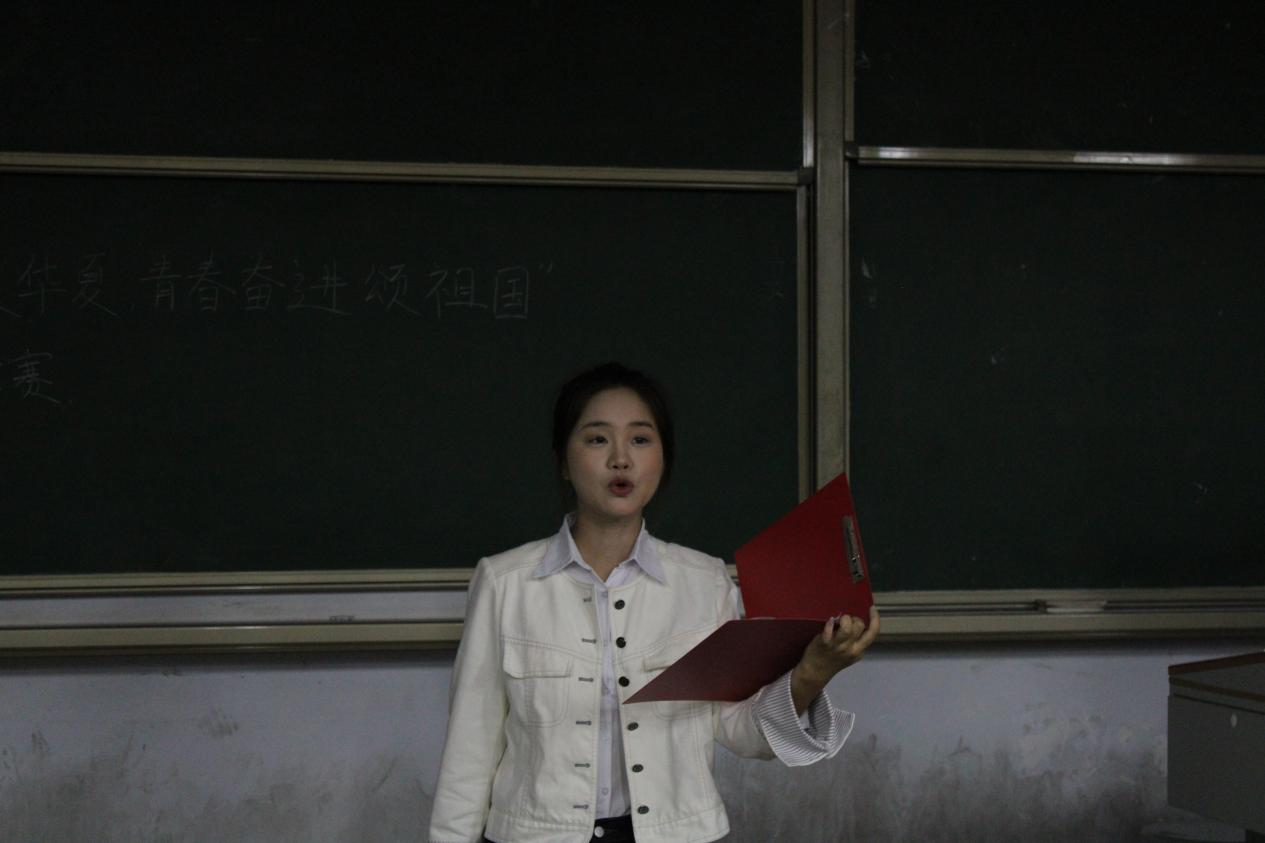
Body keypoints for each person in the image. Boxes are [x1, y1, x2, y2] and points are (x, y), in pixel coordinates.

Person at [429, 362, 880, 843]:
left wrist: (812, 673)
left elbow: (739, 728)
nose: (621, 459)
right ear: (563, 461)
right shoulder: (505, 582)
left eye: (640, 439)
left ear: (662, 459)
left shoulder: (704, 582)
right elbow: (469, 751)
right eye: (597, 439)